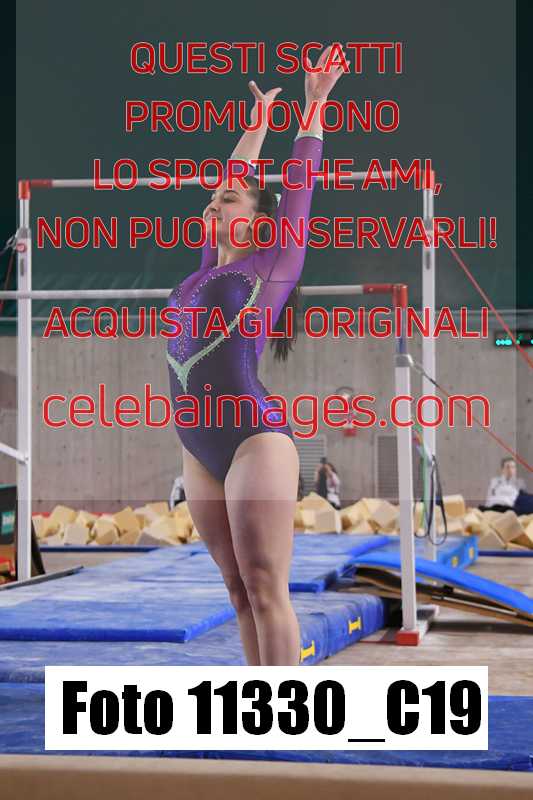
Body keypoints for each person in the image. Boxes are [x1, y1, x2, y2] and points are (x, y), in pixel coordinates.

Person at [166, 46, 348, 665]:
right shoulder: (202, 272)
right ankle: (258, 707)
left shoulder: (272, 266)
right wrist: (255, 127)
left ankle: (286, 714)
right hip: (198, 446)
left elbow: (297, 187)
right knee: (238, 592)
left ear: (259, 222)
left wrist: (313, 105)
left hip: (253, 439)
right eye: (213, 198)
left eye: (229, 200)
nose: (214, 202)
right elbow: (236, 176)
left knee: (267, 588)